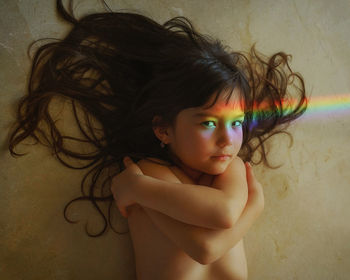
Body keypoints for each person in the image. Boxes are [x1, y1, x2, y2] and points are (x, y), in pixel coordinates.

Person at [7, 0, 308, 279]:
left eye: (236, 123)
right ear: (163, 130)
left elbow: (224, 215)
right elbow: (204, 248)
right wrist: (252, 204)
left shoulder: (214, 173)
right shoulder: (152, 172)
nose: (227, 139)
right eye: (209, 123)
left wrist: (140, 191)